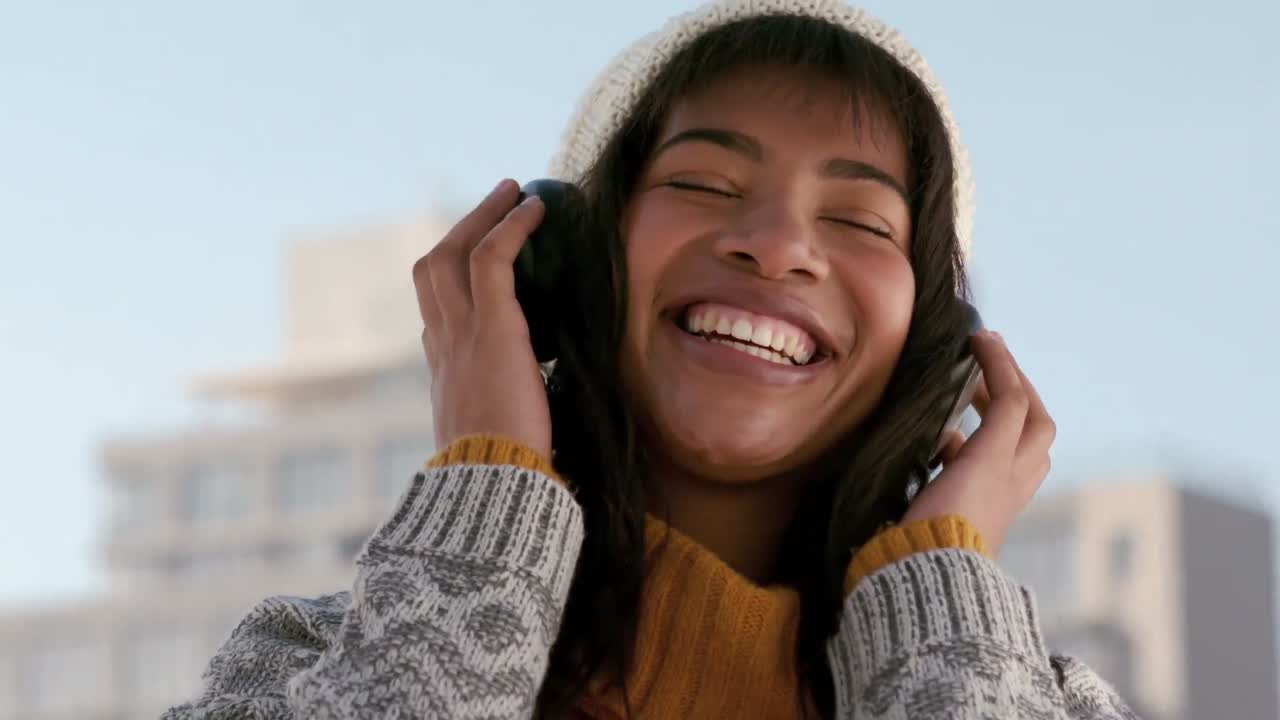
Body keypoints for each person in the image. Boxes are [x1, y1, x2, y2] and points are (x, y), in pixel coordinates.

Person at [164, 1, 1141, 718]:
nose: (778, 246)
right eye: (704, 181)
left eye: (859, 220)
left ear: (931, 347)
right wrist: (489, 488)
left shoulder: (1036, 699)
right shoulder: (299, 666)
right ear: (565, 266)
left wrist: (939, 596)